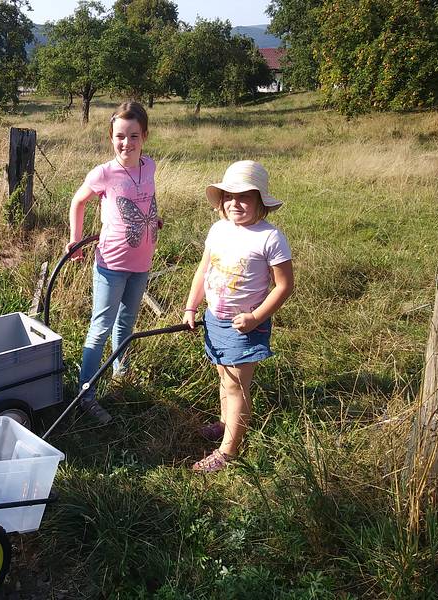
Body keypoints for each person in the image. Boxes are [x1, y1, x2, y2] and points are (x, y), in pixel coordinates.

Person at [182, 160, 294, 472]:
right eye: (229, 196)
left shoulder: (269, 238)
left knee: (236, 385)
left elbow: (284, 286)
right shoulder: (218, 230)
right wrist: (192, 306)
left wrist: (256, 317)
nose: (236, 203)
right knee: (223, 377)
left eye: (245, 197)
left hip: (245, 325)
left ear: (260, 202)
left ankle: (228, 451)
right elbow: (203, 270)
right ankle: (224, 422)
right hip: (214, 319)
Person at [67, 101, 161, 424]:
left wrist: (154, 218)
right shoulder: (104, 173)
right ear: (111, 137)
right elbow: (78, 202)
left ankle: (121, 373)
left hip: (142, 262)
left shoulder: (149, 166)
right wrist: (75, 239)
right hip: (111, 263)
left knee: (127, 323)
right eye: (120, 136)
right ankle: (86, 395)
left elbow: (148, 196)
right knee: (101, 328)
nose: (127, 143)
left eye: (134, 136)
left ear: (144, 136)